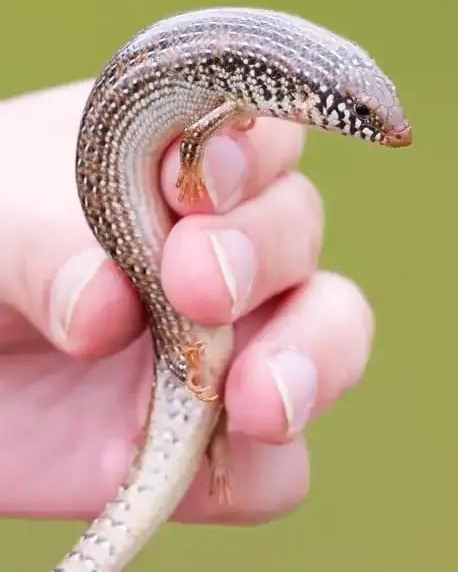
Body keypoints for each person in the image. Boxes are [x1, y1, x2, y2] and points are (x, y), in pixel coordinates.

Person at [0, 81, 373, 523]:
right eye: (364, 117)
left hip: (148, 318)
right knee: (203, 325)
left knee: (208, 324)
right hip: (122, 185)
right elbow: (197, 135)